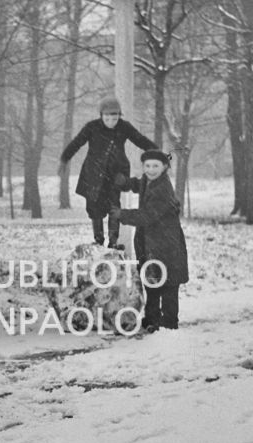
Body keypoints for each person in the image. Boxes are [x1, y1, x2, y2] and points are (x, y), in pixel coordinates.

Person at [59, 95, 157, 249]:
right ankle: (98, 240)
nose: (111, 122)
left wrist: (156, 152)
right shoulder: (92, 127)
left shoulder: (124, 127)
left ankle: (113, 241)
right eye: (107, 118)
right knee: (94, 208)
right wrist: (65, 158)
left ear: (119, 116)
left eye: (115, 118)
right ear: (101, 115)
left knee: (114, 207)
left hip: (115, 175)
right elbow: (77, 142)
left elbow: (140, 140)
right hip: (94, 174)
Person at [111, 149, 189, 332]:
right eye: (147, 166)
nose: (151, 170)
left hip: (167, 244)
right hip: (152, 242)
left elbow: (147, 216)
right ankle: (152, 317)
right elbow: (139, 184)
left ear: (164, 168)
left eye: (156, 166)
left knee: (168, 284)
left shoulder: (163, 189)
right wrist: (126, 182)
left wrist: (122, 214)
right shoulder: (150, 180)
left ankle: (169, 321)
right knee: (152, 280)